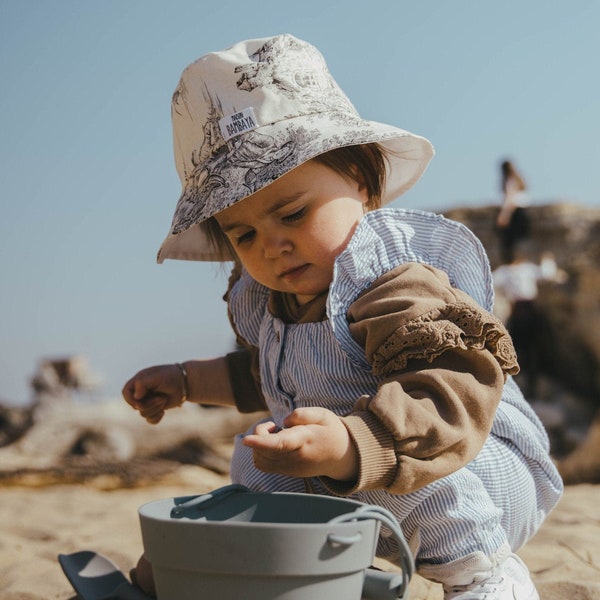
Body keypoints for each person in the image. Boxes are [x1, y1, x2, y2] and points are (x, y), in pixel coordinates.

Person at [122, 35, 562, 600]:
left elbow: (450, 389)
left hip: (464, 462)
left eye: (293, 213)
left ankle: (485, 576)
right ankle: (273, 571)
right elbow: (267, 376)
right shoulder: (273, 301)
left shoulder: (392, 279)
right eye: (246, 235)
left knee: (421, 488)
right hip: (356, 466)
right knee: (258, 465)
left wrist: (357, 442)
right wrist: (186, 381)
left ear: (361, 178)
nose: (273, 246)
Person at [493, 249, 567, 399]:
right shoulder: (509, 271)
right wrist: (547, 260)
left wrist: (547, 260)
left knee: (528, 346)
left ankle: (530, 382)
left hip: (525, 310)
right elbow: (546, 274)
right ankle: (523, 381)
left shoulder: (518, 270)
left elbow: (546, 274)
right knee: (522, 347)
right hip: (520, 311)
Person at [496, 160, 531, 264]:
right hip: (523, 212)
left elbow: (510, 199)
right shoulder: (519, 180)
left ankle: (512, 262)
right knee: (520, 240)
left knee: (509, 241)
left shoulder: (509, 181)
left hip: (515, 213)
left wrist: (504, 215)